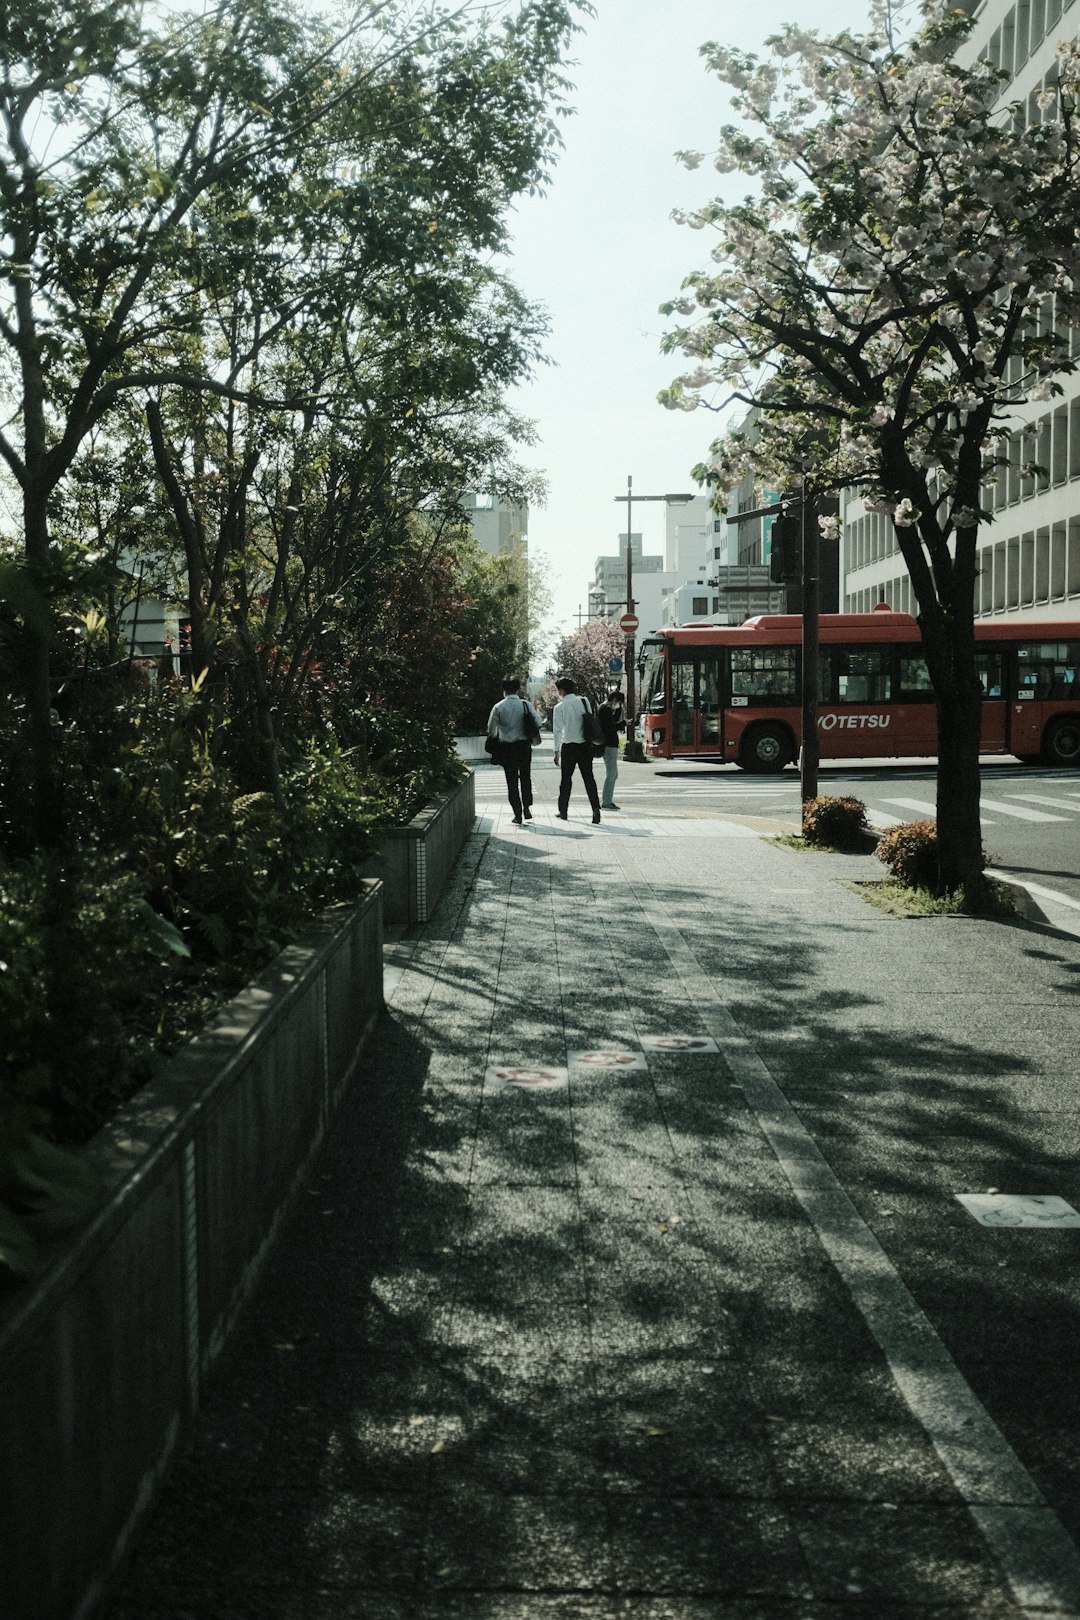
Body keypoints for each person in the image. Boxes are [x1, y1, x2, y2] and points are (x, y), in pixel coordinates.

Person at [486, 675, 541, 825]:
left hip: (507, 748)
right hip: (524, 746)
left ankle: (518, 814)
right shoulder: (526, 705)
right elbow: (538, 721)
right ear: (518, 688)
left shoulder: (498, 707)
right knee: (525, 777)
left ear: (504, 689)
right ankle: (527, 807)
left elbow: (491, 731)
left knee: (511, 781)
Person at [552, 676, 601, 824]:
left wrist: (556, 751)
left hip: (569, 746)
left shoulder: (559, 707)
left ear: (561, 690)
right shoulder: (584, 701)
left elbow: (557, 731)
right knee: (589, 779)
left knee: (566, 780)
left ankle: (563, 811)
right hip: (585, 745)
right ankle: (595, 809)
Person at [598, 688, 624, 810]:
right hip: (609, 744)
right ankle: (606, 801)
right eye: (618, 702)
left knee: (613, 773)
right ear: (614, 699)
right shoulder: (605, 709)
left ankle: (607, 800)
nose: (617, 704)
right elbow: (610, 728)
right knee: (611, 773)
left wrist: (619, 710)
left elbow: (613, 721)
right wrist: (623, 724)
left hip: (609, 744)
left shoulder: (605, 709)